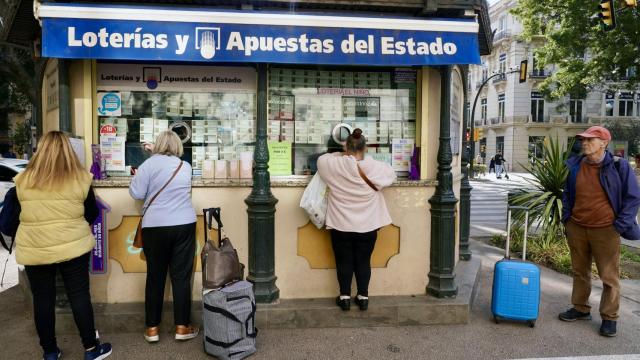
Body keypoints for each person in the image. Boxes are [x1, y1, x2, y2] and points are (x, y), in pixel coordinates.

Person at [13, 131, 112, 360]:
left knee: (42, 301)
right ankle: (91, 349)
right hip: (73, 247)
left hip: (35, 248)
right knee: (79, 296)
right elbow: (92, 212)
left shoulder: (22, 181)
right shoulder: (80, 178)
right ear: (68, 151)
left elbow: (12, 218)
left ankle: (49, 352)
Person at [560, 126, 640, 337]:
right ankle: (580, 308)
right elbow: (567, 193)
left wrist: (619, 226)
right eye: (583, 140)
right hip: (577, 227)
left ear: (604, 143)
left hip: (606, 230)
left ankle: (609, 317)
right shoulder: (576, 164)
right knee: (580, 271)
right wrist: (567, 219)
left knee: (609, 276)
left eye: (590, 140)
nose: (584, 143)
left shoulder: (619, 166)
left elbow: (633, 198)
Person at [129, 130, 199, 343]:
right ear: (178, 146)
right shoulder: (185, 166)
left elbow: (137, 194)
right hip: (184, 224)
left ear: (157, 145)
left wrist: (137, 177)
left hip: (155, 227)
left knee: (155, 277)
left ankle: (152, 329)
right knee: (181, 278)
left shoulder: (147, 165)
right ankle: (182, 327)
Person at [317, 128, 396, 311]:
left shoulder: (334, 164)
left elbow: (322, 159)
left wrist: (342, 154)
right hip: (368, 225)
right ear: (365, 147)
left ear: (346, 146)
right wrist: (364, 159)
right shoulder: (373, 166)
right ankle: (363, 297)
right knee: (363, 260)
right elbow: (391, 174)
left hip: (340, 224)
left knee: (343, 261)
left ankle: (344, 297)